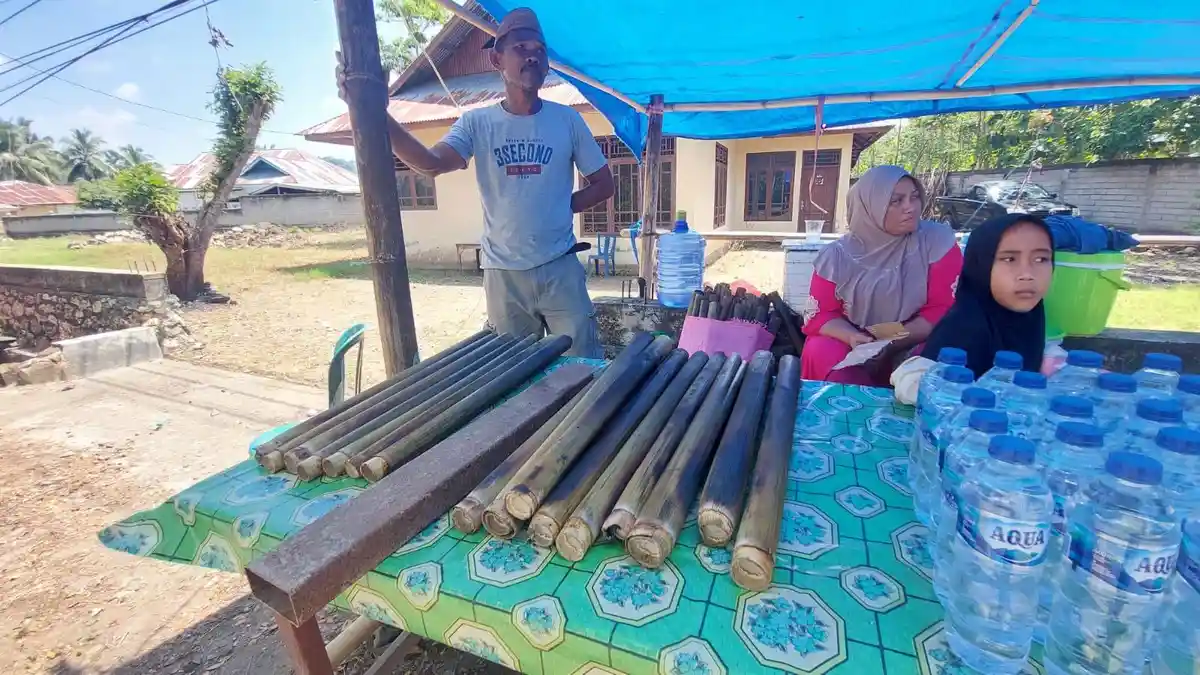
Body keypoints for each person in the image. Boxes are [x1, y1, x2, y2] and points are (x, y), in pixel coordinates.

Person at [337, 7, 614, 357]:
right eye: (521, 48)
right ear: (497, 60)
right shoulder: (477, 124)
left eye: (540, 50)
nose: (533, 56)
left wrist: (561, 205)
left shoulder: (568, 120)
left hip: (560, 268)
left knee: (582, 366)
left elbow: (604, 185)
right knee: (513, 374)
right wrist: (377, 112)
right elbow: (430, 164)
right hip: (503, 276)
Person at [800, 165, 962, 385]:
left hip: (915, 336)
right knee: (820, 349)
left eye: (914, 197)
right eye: (896, 201)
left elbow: (944, 309)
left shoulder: (936, 242)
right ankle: (843, 413)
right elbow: (821, 315)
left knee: (940, 354)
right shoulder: (836, 256)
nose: (910, 207)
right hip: (857, 340)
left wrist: (892, 342)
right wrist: (853, 338)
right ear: (869, 207)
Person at [922, 214, 1055, 378]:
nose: (1027, 274)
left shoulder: (1030, 319)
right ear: (981, 266)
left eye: (1041, 259)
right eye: (1009, 259)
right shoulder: (962, 334)